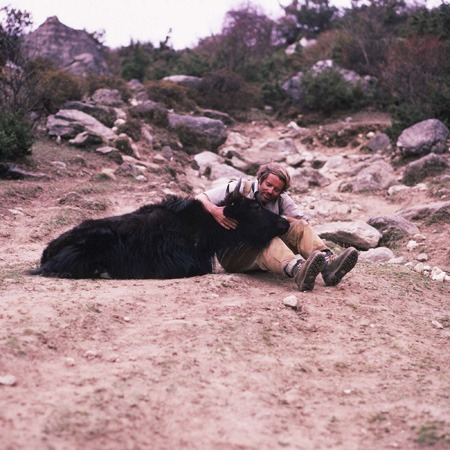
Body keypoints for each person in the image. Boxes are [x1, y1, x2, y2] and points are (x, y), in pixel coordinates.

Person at [195, 162, 358, 291]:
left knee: (299, 226)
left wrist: (280, 219)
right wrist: (215, 211)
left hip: (259, 249)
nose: (270, 191)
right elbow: (199, 198)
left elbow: (303, 222)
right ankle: (298, 271)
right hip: (233, 254)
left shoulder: (281, 199)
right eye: (268, 184)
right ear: (260, 179)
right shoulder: (241, 188)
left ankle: (328, 264)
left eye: (276, 189)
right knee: (266, 239)